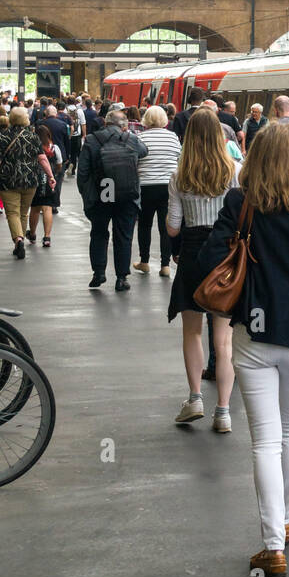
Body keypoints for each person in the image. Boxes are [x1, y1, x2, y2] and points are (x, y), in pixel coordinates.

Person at [197, 122, 289, 577]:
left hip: (254, 335)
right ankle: (287, 516)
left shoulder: (241, 204)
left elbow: (207, 261)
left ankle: (272, 544)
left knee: (264, 439)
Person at [166, 107, 240, 432]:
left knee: (193, 331)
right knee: (224, 340)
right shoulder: (235, 171)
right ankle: (223, 412)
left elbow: (172, 228)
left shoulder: (179, 175)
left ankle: (195, 398)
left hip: (193, 254)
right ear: (220, 136)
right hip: (225, 257)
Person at [77, 108, 148, 291]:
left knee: (99, 232)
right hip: (126, 194)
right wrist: (128, 134)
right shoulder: (130, 139)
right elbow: (144, 151)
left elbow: (83, 173)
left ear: (105, 123)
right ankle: (122, 277)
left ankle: (99, 272)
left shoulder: (92, 140)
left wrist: (87, 197)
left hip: (102, 193)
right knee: (123, 235)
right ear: (123, 126)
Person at [0, 107, 49, 258]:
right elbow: (42, 158)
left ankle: (19, 240)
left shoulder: (3, 137)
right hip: (30, 180)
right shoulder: (33, 136)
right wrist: (50, 175)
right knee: (23, 212)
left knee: (12, 212)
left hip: (8, 180)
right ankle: (20, 240)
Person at [133, 105, 181, 278]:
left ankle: (144, 261)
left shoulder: (140, 137)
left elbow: (135, 160)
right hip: (168, 186)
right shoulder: (173, 137)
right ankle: (165, 265)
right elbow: (178, 158)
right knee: (165, 226)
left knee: (145, 224)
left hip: (145, 186)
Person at [27, 125, 62, 247]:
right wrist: (54, 174)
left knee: (35, 208)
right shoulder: (54, 148)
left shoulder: (32, 147)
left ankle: (32, 234)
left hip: (35, 180)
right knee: (47, 208)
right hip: (49, 179)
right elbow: (59, 164)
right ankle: (47, 237)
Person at [65, 101, 85, 175]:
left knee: (68, 151)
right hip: (77, 135)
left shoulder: (65, 110)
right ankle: (73, 169)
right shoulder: (79, 111)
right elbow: (83, 124)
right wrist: (84, 134)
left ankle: (68, 165)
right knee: (75, 153)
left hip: (67, 135)